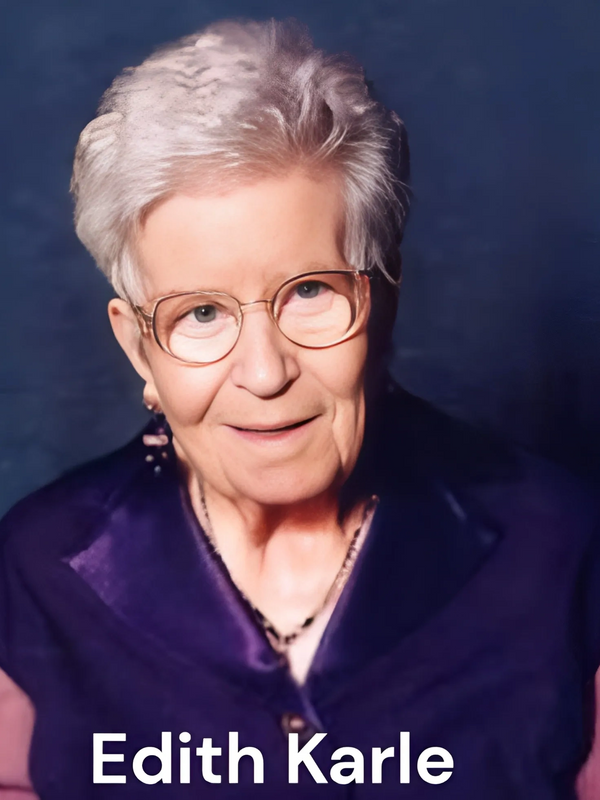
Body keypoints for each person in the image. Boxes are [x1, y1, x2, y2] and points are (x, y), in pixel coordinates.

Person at [0, 17, 599, 799]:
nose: (264, 371)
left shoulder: (559, 544)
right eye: (201, 313)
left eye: (310, 292)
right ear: (139, 348)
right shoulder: (38, 562)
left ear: (384, 298)